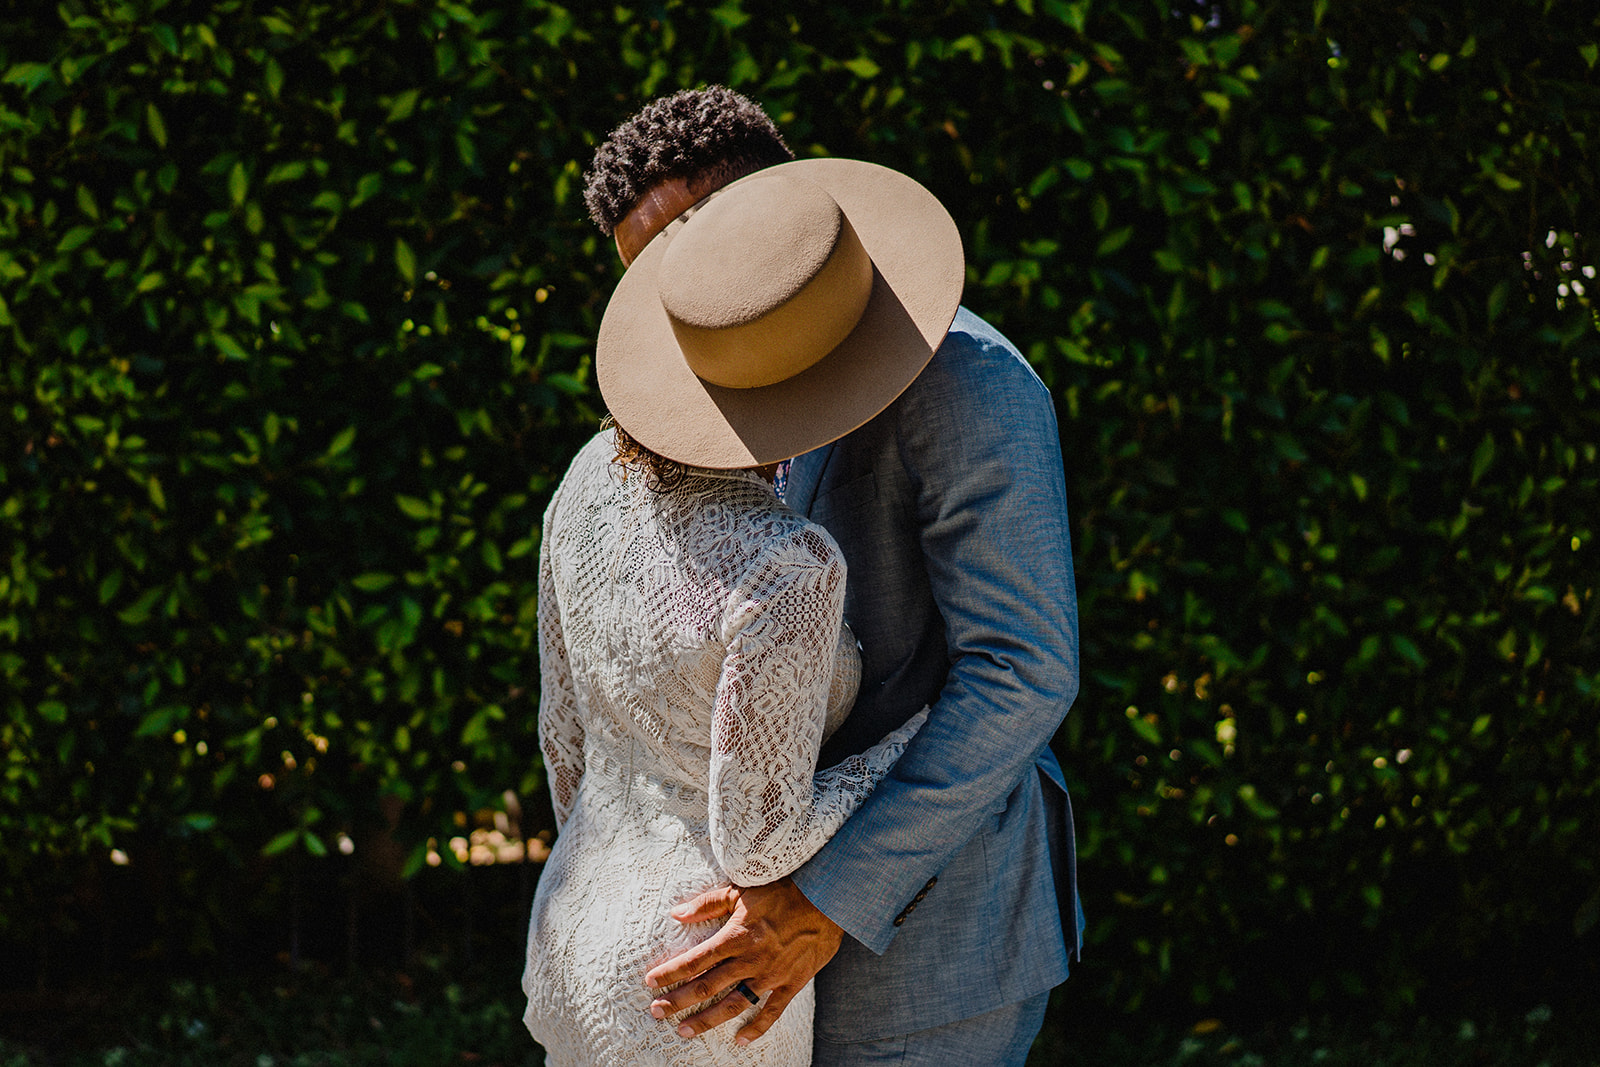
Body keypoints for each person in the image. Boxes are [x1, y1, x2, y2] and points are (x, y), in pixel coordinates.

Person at [581, 87, 1083, 1066]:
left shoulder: (970, 378)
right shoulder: (733, 384)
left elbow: (1024, 670)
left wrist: (822, 900)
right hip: (767, 942)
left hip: (933, 944)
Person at [523, 150, 987, 1064]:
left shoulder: (581, 479)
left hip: (574, 926)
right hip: (709, 967)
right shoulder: (791, 564)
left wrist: (622, 873)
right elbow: (760, 835)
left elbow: (562, 743)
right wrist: (901, 741)